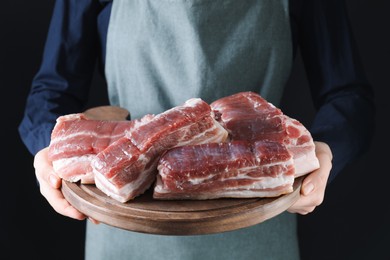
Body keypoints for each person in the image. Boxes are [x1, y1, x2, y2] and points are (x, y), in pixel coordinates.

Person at [19, 0, 375, 259]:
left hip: (255, 220)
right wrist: (47, 152)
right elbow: (53, 88)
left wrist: (326, 151)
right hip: (124, 225)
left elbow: (349, 95)